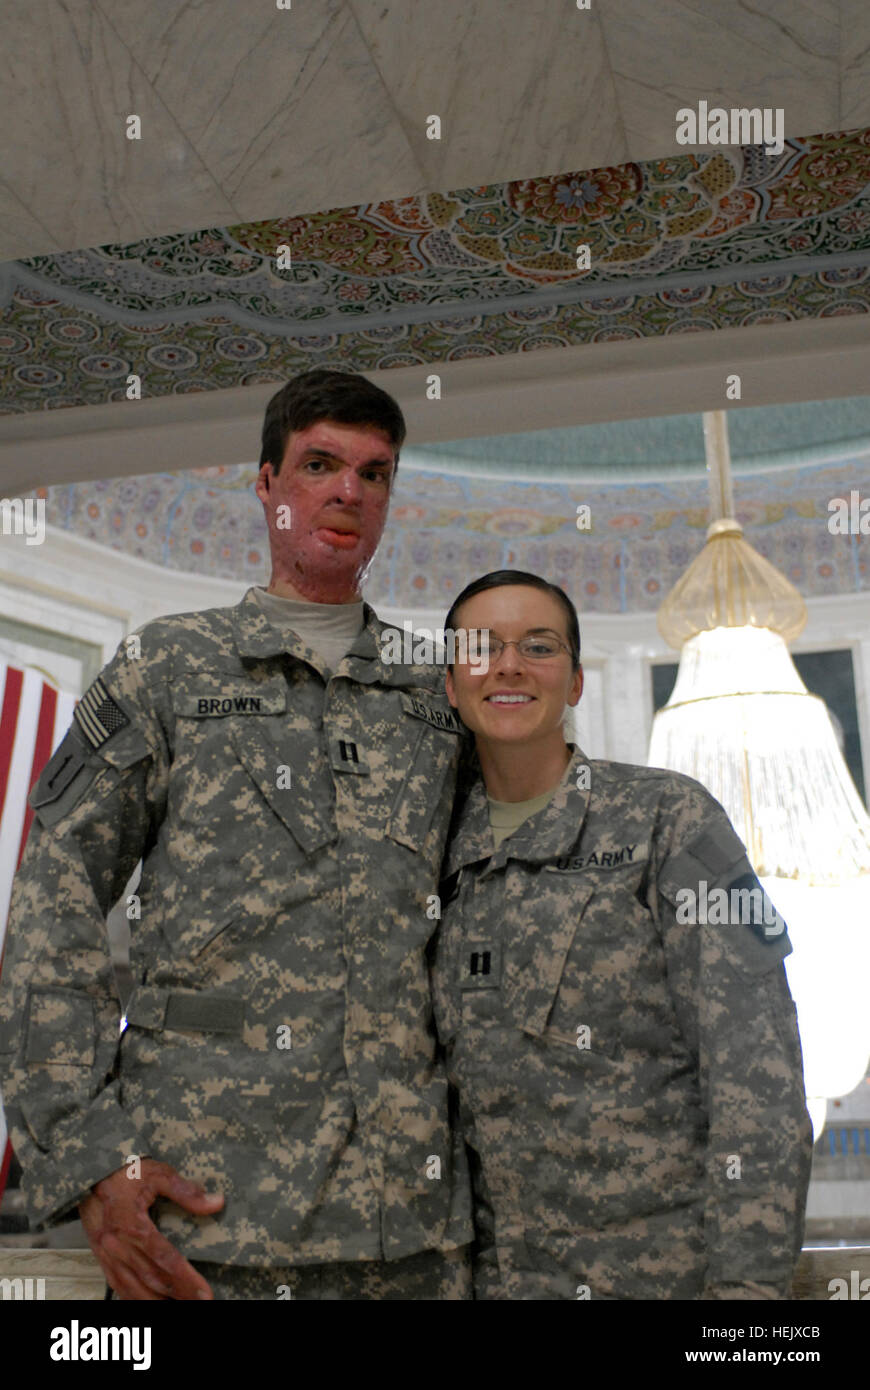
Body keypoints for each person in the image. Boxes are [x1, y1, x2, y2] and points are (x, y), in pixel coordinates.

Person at [0, 369, 473, 1301]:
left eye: (375, 474)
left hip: (411, 1235)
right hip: (208, 1230)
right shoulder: (167, 667)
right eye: (321, 464)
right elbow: (51, 910)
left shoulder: (438, 696)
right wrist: (92, 1155)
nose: (349, 493)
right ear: (268, 485)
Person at [431, 569, 813, 1300]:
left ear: (574, 682)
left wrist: (747, 1306)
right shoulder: (434, 853)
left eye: (538, 647)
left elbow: (757, 1080)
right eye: (482, 647)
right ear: (451, 684)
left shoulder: (671, 819)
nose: (509, 665)